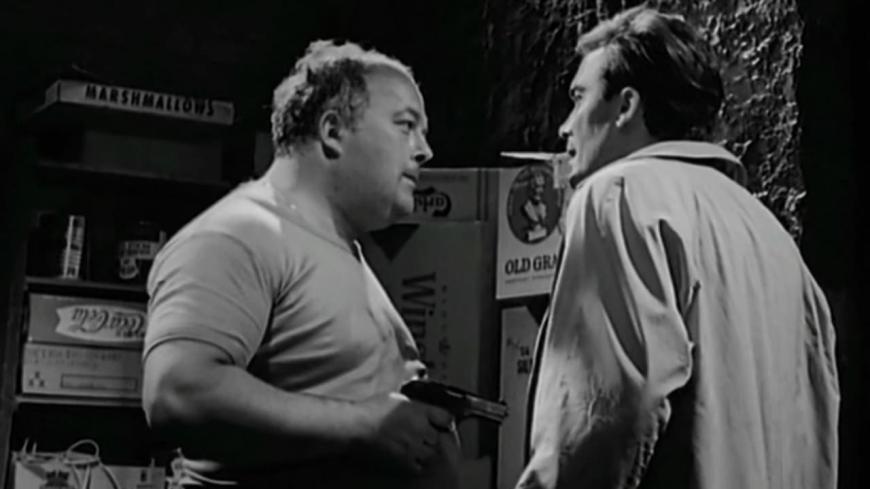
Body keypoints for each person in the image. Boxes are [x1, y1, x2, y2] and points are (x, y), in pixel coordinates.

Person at [517, 6, 839, 489]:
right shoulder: (769, 232)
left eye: (579, 98)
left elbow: (601, 417)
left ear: (625, 106)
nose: (566, 125)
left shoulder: (618, 196)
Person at [142, 40, 460, 488]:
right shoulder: (239, 234)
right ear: (332, 130)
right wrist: (363, 425)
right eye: (406, 125)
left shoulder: (337, 248)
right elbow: (176, 393)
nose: (424, 150)